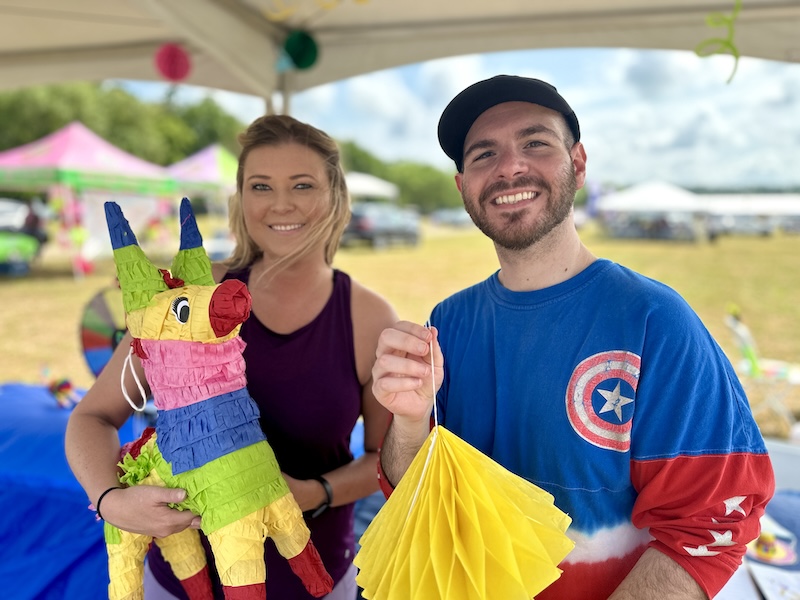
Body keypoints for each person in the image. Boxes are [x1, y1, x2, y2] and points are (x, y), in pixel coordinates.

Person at [371, 75, 775, 600]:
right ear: (463, 186)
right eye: (483, 154)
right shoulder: (448, 321)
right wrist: (406, 423)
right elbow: (415, 492)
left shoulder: (655, 320)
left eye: (535, 143)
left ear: (578, 163)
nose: (509, 166)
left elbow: (708, 526)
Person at [65, 114, 397, 600]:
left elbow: (384, 458)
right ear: (241, 201)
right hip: (181, 582)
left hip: (315, 580)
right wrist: (110, 499)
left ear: (335, 197)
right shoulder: (190, 296)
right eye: (261, 186)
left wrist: (315, 492)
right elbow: (92, 417)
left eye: (302, 185)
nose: (281, 203)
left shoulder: (367, 315)